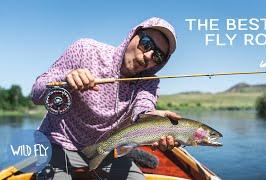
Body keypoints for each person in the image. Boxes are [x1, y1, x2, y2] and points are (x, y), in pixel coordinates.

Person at [31, 17, 181, 179]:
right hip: (58, 144)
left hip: (104, 149)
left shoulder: (149, 81)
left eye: (158, 56)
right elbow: (36, 94)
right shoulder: (85, 50)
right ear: (133, 36)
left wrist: (151, 119)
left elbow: (143, 108)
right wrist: (65, 80)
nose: (148, 56)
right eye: (146, 44)